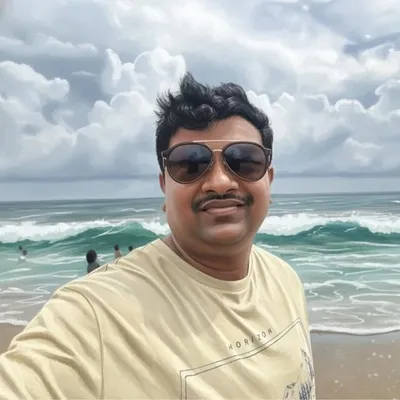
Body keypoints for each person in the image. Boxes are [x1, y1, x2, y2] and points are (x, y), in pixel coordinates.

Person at [0, 72, 315, 399]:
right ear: (165, 185)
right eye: (190, 164)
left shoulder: (286, 280)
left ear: (269, 179)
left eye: (245, 161)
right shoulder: (96, 315)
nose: (220, 182)